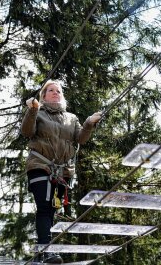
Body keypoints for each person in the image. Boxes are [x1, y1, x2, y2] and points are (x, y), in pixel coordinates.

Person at [21, 79, 101, 263]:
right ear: (43, 95)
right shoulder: (38, 113)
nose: (55, 93)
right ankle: (46, 250)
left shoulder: (71, 118)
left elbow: (80, 139)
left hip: (62, 172)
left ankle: (42, 253)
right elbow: (26, 132)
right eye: (50, 90)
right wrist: (32, 110)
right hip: (40, 165)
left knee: (50, 211)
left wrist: (89, 124)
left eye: (58, 90)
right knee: (43, 207)